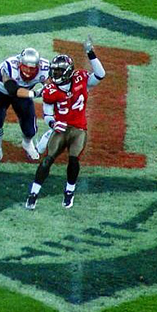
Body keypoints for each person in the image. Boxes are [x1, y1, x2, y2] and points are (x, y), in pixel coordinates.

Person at [26, 37, 105, 210]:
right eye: (54, 72)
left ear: (68, 72)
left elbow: (100, 74)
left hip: (78, 129)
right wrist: (53, 124)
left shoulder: (81, 79)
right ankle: (33, 193)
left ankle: (69, 192)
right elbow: (47, 114)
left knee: (73, 160)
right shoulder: (50, 90)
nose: (55, 75)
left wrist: (90, 53)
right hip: (61, 128)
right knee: (47, 160)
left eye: (59, 72)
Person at [0, 48, 50, 169]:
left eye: (32, 68)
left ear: (38, 66)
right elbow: (12, 89)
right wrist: (35, 94)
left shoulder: (45, 68)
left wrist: (48, 88)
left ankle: (27, 143)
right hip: (1, 90)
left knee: (30, 129)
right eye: (25, 67)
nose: (28, 71)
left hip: (24, 93)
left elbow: (49, 85)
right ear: (19, 64)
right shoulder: (10, 65)